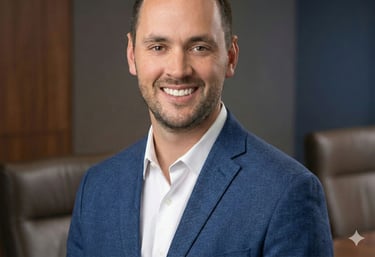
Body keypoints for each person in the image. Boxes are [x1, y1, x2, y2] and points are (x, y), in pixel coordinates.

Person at [67, 0, 333, 256]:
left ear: (230, 56)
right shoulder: (96, 188)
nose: (178, 70)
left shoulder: (288, 192)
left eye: (199, 47)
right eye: (158, 47)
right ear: (131, 55)